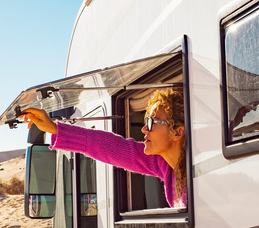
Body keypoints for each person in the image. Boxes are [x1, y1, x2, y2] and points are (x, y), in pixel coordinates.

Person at [21, 89, 187, 208]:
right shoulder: (165, 166)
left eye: (152, 123)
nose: (144, 129)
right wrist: (55, 129)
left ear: (177, 132)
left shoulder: (197, 174)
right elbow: (110, 147)